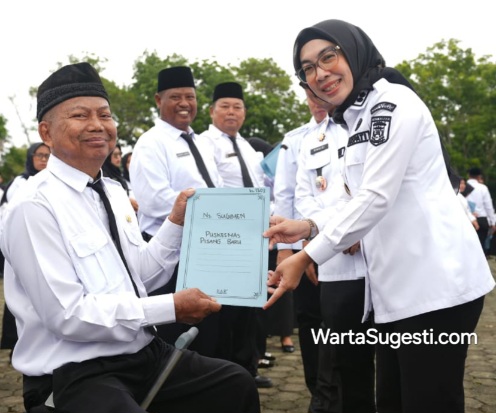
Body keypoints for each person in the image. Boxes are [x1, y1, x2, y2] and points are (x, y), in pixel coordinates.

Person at [263, 19, 495, 413]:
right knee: (391, 401)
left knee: (428, 402)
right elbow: (355, 201)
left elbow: (376, 197)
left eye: (328, 57)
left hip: (435, 288)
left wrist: (306, 255)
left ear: (354, 52)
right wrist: (309, 226)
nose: (320, 74)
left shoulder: (392, 103)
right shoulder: (355, 116)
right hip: (394, 293)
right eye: (308, 68)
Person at [1, 62, 259, 413]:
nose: (97, 125)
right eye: (80, 115)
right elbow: (67, 315)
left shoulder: (112, 191)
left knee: (235, 384)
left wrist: (175, 222)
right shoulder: (33, 206)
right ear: (46, 133)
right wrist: (171, 307)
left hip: (142, 353)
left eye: (104, 115)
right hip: (75, 370)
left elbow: (142, 275)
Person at [130, 66, 223, 355]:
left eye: (190, 97)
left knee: (212, 332)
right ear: (159, 100)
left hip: (207, 249)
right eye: (176, 97)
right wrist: (216, 212)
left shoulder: (202, 142)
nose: (184, 103)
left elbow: (217, 187)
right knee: (178, 339)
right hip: (169, 257)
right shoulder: (150, 143)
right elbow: (155, 201)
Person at [199, 81, 272, 388]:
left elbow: (263, 187)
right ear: (212, 111)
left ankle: (247, 369)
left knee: (249, 307)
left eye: (237, 107)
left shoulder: (249, 148)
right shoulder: (205, 143)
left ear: (244, 112)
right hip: (223, 236)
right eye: (225, 106)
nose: (232, 112)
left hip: (253, 235)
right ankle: (222, 374)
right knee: (223, 308)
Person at [0, 142, 51, 359]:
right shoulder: (21, 183)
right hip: (22, 246)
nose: (44, 160)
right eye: (39, 155)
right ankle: (16, 343)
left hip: (44, 246)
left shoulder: (52, 181)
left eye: (48, 156)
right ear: (30, 157)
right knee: (21, 298)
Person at [466, 167, 495, 254]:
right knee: (481, 246)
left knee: (467, 246)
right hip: (482, 219)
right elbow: (488, 206)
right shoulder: (483, 188)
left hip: (466, 219)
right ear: (479, 176)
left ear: (468, 175)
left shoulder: (463, 186)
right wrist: (493, 222)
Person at [102, 144, 138, 212]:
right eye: (115, 155)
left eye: (120, 154)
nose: (119, 158)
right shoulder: (103, 176)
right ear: (108, 156)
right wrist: (127, 201)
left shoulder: (119, 176)